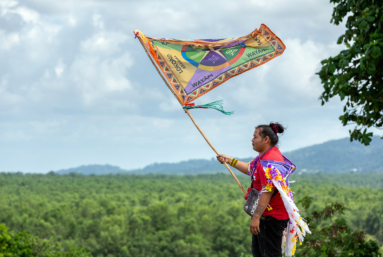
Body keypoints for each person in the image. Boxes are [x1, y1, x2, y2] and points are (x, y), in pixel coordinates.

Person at [216, 122, 310, 257]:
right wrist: (229, 160)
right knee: (259, 253)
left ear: (266, 139)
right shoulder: (265, 156)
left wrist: (256, 217)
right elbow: (250, 168)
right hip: (266, 216)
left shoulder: (269, 163)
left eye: (255, 137)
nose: (252, 140)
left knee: (270, 254)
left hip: (271, 217)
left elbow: (267, 192)